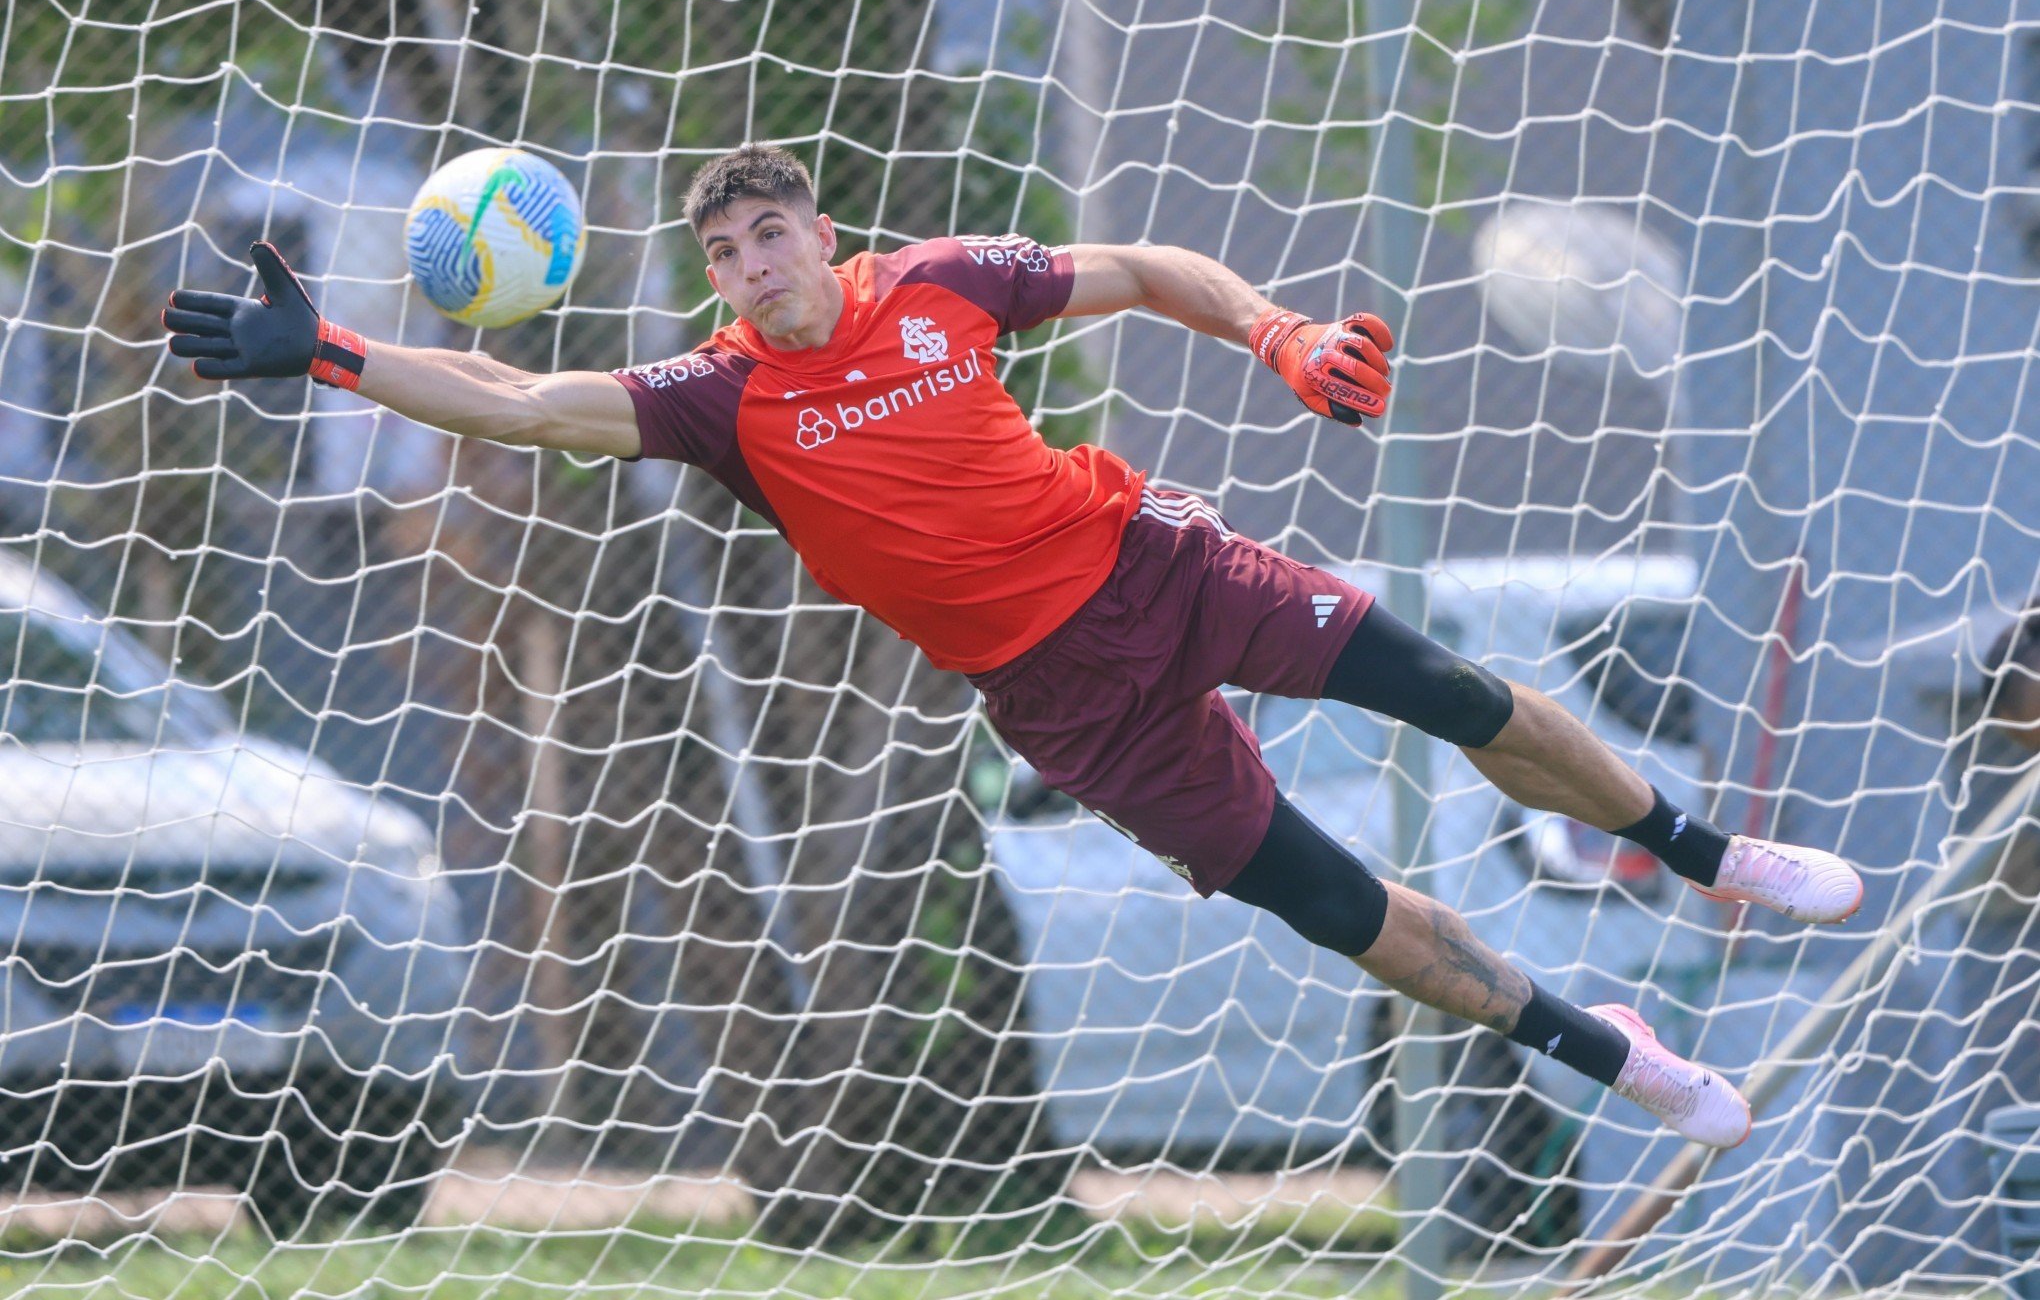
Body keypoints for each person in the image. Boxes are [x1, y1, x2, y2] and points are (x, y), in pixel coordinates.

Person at [160, 143, 1865, 1150]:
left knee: (1451, 689)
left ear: (822, 235)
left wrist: (1273, 332)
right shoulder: (717, 399)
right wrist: (336, 356)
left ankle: (1710, 853)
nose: (754, 268)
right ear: (717, 281)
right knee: (1333, 905)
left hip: (1150, 565)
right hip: (1064, 707)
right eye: (724, 254)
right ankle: (1622, 1058)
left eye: (772, 236)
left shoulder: (949, 284)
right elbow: (522, 397)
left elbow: (1137, 265)